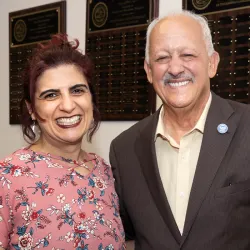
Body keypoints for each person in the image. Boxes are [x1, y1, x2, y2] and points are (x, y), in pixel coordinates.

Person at [110, 9, 250, 250]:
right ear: (148, 70)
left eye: (187, 54)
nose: (175, 68)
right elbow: (129, 237)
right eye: (162, 58)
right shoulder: (124, 149)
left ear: (212, 63)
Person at [0, 34, 125, 250]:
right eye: (50, 95)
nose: (68, 105)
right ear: (31, 109)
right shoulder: (8, 177)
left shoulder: (103, 172)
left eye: (77, 90)